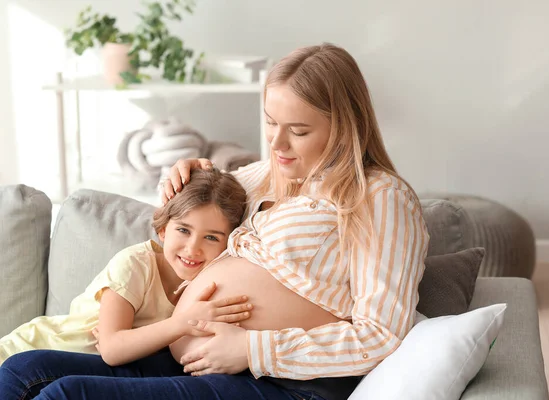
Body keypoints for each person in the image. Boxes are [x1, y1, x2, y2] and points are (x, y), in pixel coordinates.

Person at [0, 43, 429, 400]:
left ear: (345, 127)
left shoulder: (381, 198)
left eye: (297, 130)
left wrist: (253, 348)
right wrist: (184, 172)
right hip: (197, 365)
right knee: (23, 369)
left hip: (285, 385)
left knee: (66, 394)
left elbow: (380, 334)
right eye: (270, 123)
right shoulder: (268, 175)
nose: (276, 143)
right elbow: (201, 202)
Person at [0, 168, 249, 367]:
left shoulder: (207, 284)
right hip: (30, 352)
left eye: (212, 237)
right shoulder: (135, 265)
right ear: (163, 229)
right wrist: (184, 322)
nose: (193, 248)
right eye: (183, 230)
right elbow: (111, 349)